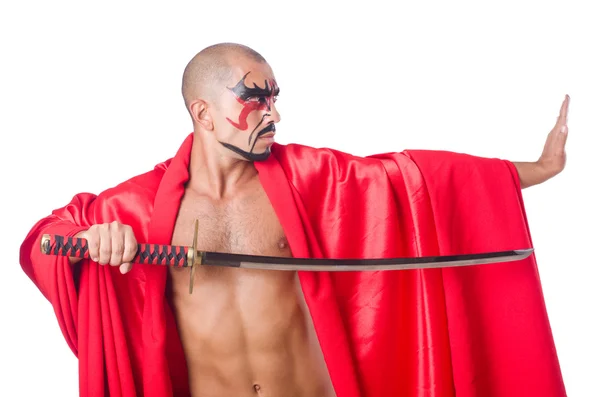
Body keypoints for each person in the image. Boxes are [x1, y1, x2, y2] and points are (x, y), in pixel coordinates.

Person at [20, 43, 569, 397]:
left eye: (274, 99)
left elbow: (415, 180)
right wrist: (90, 238)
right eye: (254, 100)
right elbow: (42, 241)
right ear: (204, 114)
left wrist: (535, 169)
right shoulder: (135, 209)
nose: (274, 114)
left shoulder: (314, 180)